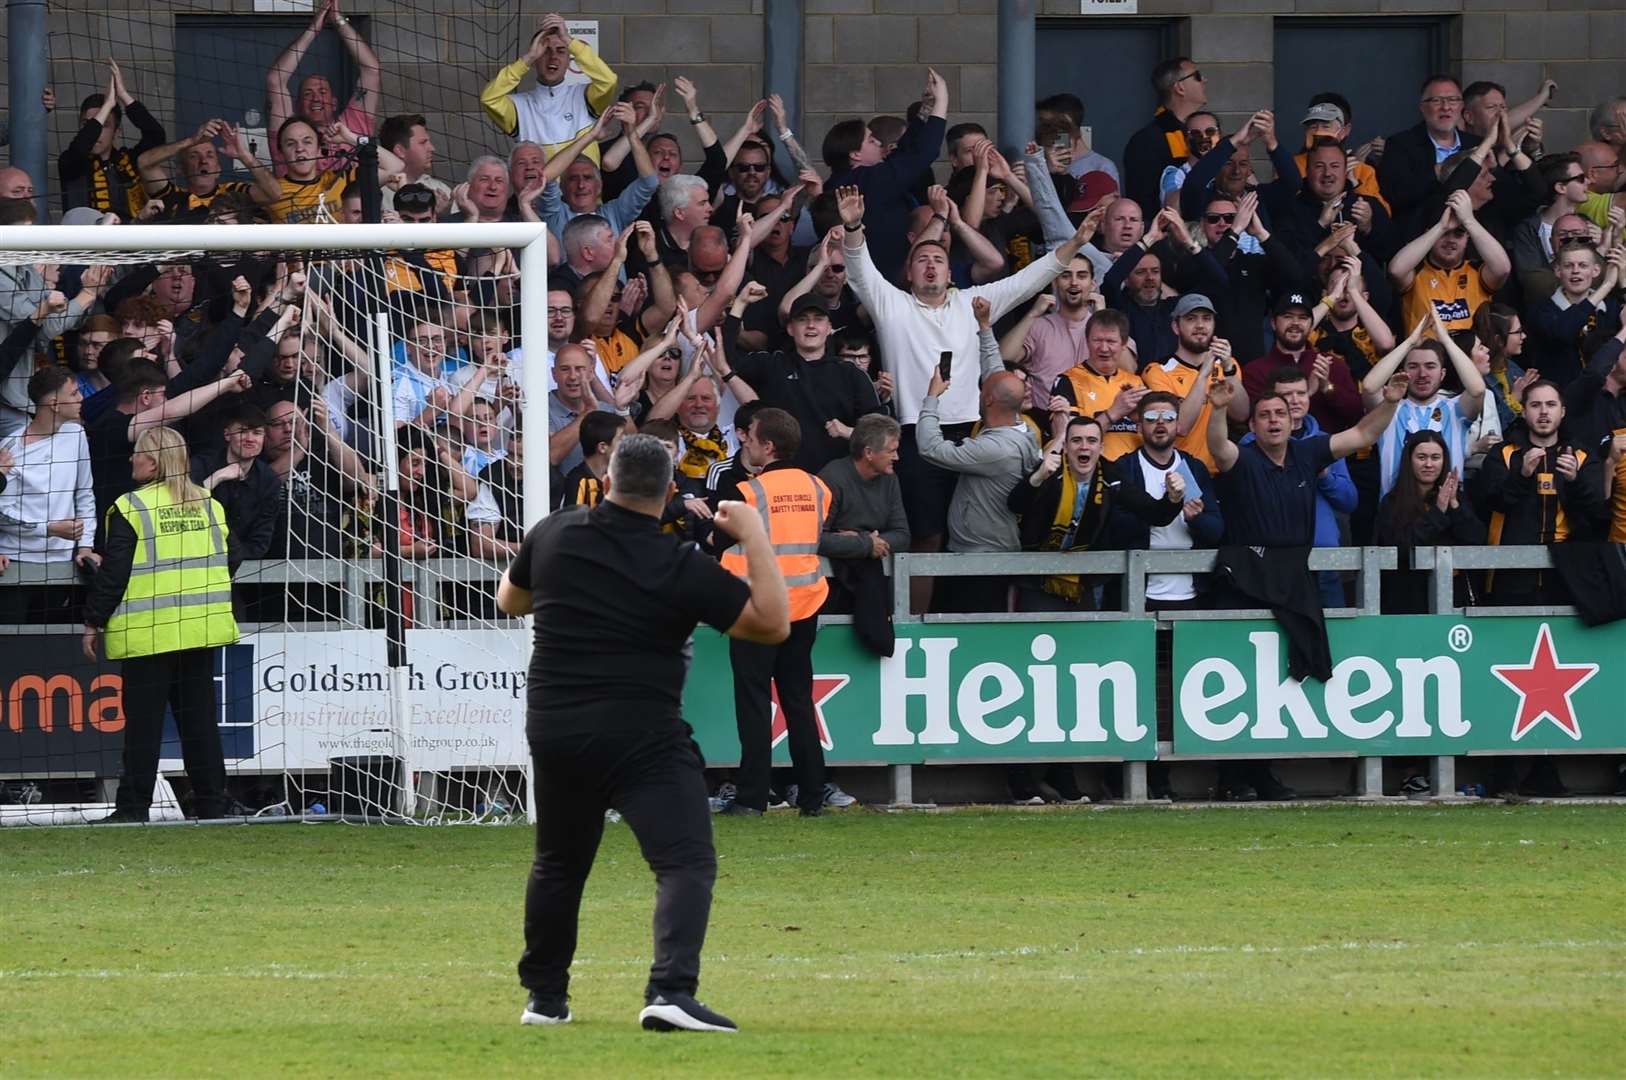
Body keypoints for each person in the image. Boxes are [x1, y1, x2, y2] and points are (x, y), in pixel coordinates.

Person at [499, 432, 789, 1033]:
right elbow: (772, 625)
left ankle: (545, 1001)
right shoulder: (678, 564)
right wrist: (755, 535)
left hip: (556, 726)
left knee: (558, 864)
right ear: (668, 495)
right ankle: (671, 991)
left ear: (607, 480)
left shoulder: (553, 533)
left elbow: (510, 600)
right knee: (684, 861)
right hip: (642, 734)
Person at [82, 426, 240, 823]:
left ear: (152, 462)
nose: (131, 458)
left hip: (148, 633)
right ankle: (211, 805)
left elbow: (114, 572)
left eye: (137, 453)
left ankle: (134, 808)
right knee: (200, 723)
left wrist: (93, 621)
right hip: (200, 629)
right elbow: (233, 556)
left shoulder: (131, 506)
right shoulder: (208, 504)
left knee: (143, 729)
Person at [715, 409, 840, 818]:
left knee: (753, 702)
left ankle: (752, 797)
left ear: (767, 446)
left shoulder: (749, 491)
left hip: (757, 607)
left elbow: (722, 539)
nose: (745, 443)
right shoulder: (818, 487)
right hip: (804, 605)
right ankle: (812, 794)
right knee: (798, 700)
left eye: (749, 437)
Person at [1361, 308, 1486, 495]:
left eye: (1430, 366)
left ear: (1442, 373)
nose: (1422, 374)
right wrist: (1410, 342)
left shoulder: (1455, 409)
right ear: (1402, 370)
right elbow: (1370, 386)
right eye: (1413, 366)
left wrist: (1445, 339)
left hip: (1447, 514)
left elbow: (1477, 390)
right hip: (1397, 515)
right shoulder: (1389, 409)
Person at [1375, 430, 1485, 614]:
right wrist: (1438, 512)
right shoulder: (1392, 502)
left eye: (1435, 457)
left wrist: (1455, 506)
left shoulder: (1457, 498)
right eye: (1421, 457)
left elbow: (1477, 540)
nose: (1428, 464)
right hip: (1407, 601)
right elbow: (1402, 547)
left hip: (1453, 598)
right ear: (1409, 460)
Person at [0, 368, 98, 574]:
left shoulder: (76, 434)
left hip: (65, 560)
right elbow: (2, 514)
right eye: (73, 394)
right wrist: (48, 529)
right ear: (54, 404)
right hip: (15, 560)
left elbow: (85, 494)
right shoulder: (9, 449)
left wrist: (86, 547)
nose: (81, 398)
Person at [264, 0, 380, 175]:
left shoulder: (352, 125)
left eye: (322, 92)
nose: (316, 98)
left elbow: (371, 70)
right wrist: (313, 30)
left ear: (334, 103)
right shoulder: (289, 135)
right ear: (298, 105)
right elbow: (275, 80)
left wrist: (338, 20)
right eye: (308, 94)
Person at [481, 14, 617, 160]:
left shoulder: (584, 96)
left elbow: (608, 81)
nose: (553, 57)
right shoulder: (518, 106)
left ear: (569, 61)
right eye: (546, 51)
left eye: (561, 51)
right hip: (541, 183)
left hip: (581, 182)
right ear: (535, 59)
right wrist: (527, 58)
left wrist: (569, 41)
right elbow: (489, 99)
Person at [60, 60, 166, 216]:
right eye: (87, 124)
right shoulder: (70, 162)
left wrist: (123, 95)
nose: (95, 132)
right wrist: (107, 105)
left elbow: (156, 135)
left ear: (117, 132)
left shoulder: (130, 160)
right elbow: (80, 148)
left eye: (103, 125)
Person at [1377, 74, 1468, 226]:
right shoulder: (1400, 145)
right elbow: (1393, 196)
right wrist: (1437, 173)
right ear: (1422, 108)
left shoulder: (1475, 144)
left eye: (1453, 100)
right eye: (1436, 100)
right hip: (1419, 235)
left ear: (1461, 106)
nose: (1446, 107)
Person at [1123, 57, 1208, 218]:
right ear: (1180, 87)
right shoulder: (1147, 141)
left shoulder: (1207, 132)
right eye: (1197, 76)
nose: (1204, 80)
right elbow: (1144, 202)